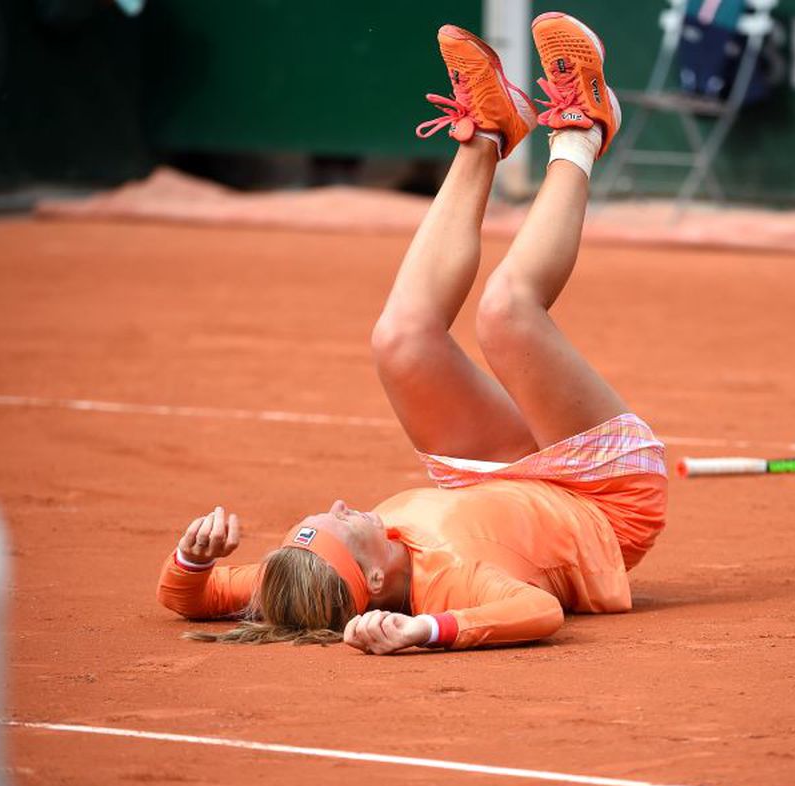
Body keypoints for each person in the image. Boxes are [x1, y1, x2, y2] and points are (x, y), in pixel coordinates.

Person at [156, 13, 668, 654]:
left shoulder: (308, 574)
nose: (341, 504)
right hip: (607, 503)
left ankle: (487, 131)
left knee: (399, 340)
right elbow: (536, 611)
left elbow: (191, 601)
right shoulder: (449, 583)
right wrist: (426, 630)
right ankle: (583, 129)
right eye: (339, 522)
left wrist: (193, 559)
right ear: (374, 577)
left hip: (500, 476)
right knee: (505, 313)